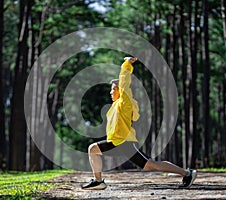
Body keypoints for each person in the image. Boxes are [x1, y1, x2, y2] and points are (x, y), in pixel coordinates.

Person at [81, 57, 197, 190]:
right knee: (93, 149)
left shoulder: (125, 103)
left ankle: (187, 173)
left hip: (124, 142)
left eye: (113, 89)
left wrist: (127, 64)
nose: (110, 92)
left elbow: (124, 83)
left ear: (120, 91)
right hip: (116, 142)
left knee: (152, 165)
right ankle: (98, 181)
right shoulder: (116, 105)